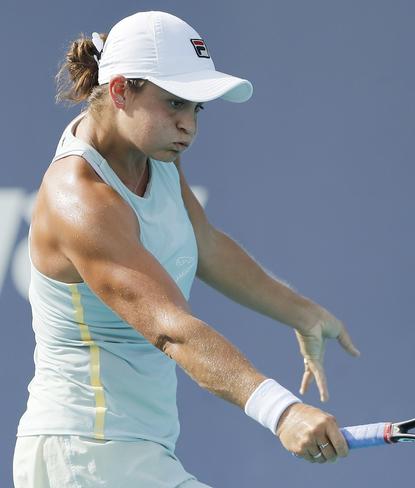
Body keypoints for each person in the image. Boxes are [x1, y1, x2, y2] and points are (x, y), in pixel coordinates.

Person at [13, 11, 360, 487]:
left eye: (197, 108)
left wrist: (301, 313)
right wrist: (281, 411)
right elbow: (171, 329)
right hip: (84, 456)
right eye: (174, 102)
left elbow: (207, 246)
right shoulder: (79, 198)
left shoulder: (152, 155)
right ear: (119, 92)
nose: (188, 125)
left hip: (130, 452)